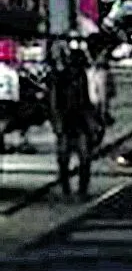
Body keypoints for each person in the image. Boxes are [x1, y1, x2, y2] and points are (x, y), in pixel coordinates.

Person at [46, 41, 96, 198]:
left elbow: (85, 99)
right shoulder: (58, 77)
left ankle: (81, 189)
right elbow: (54, 101)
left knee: (83, 156)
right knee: (65, 157)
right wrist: (57, 122)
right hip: (67, 119)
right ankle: (67, 188)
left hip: (79, 119)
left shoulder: (80, 76)